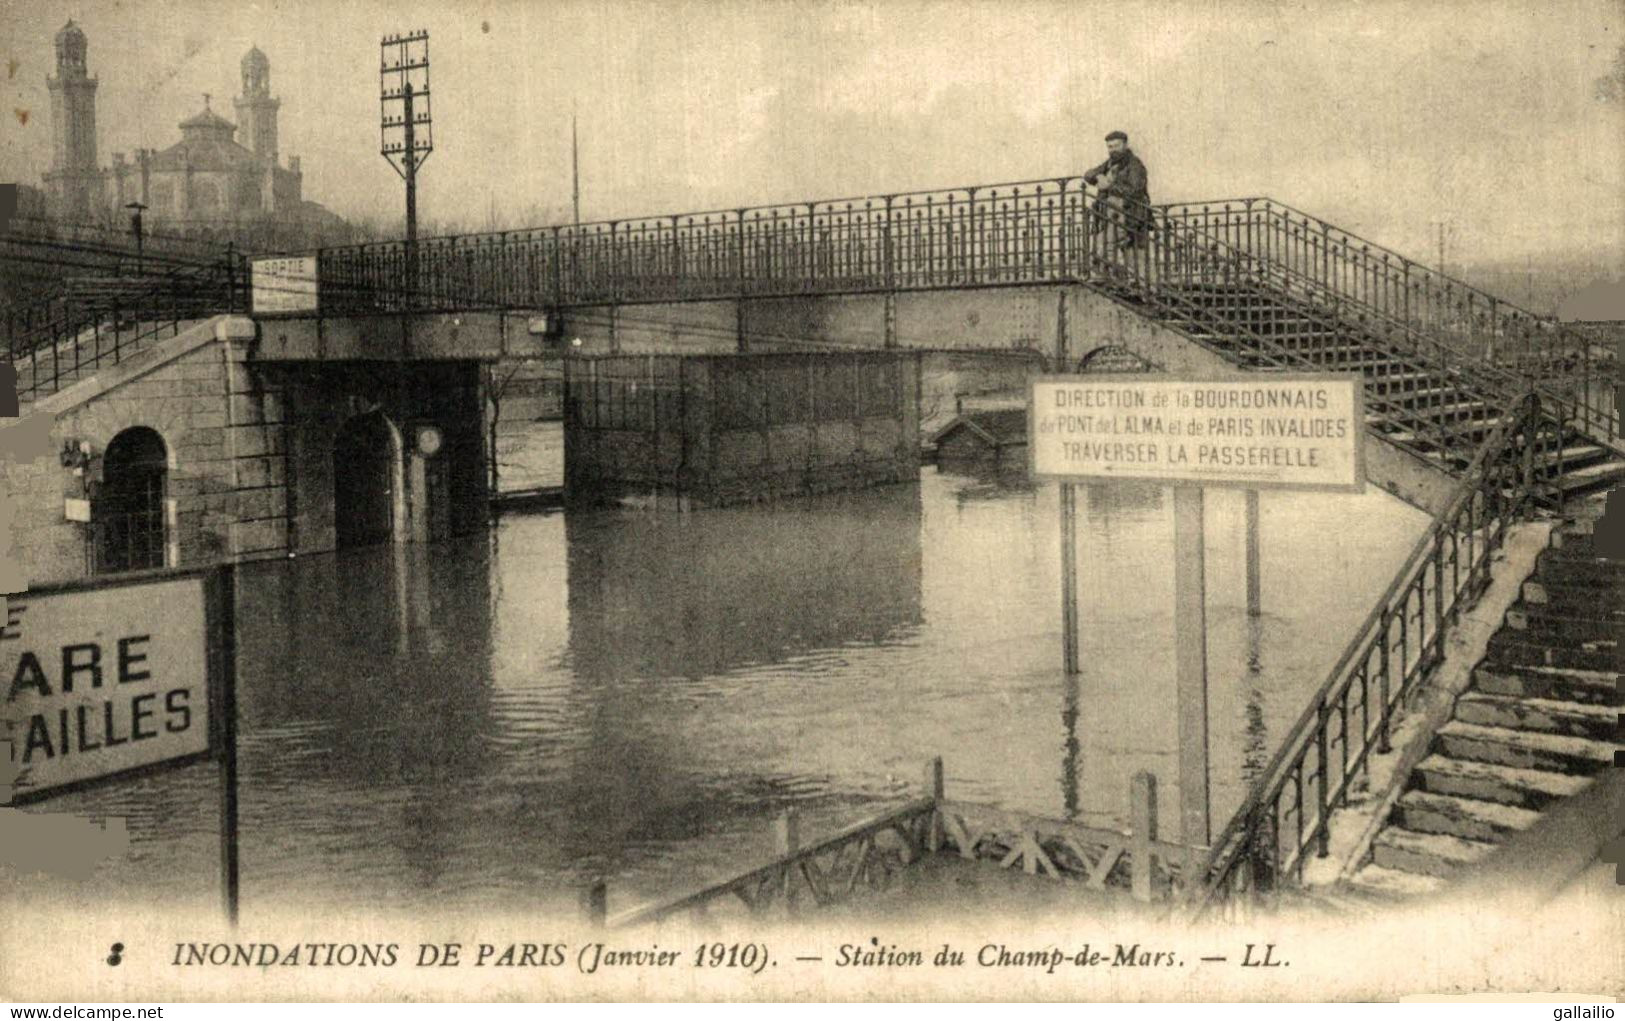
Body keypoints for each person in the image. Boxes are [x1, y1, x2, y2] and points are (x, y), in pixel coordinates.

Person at [1082, 131, 1151, 274]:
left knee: (1111, 246)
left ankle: (1125, 276)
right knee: (1104, 247)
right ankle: (1122, 276)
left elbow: (1135, 189)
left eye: (1116, 146)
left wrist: (1109, 186)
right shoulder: (1110, 163)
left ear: (1125, 145)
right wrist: (1099, 176)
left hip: (1128, 211)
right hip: (1108, 212)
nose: (1112, 150)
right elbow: (1088, 174)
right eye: (1110, 147)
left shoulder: (1134, 165)